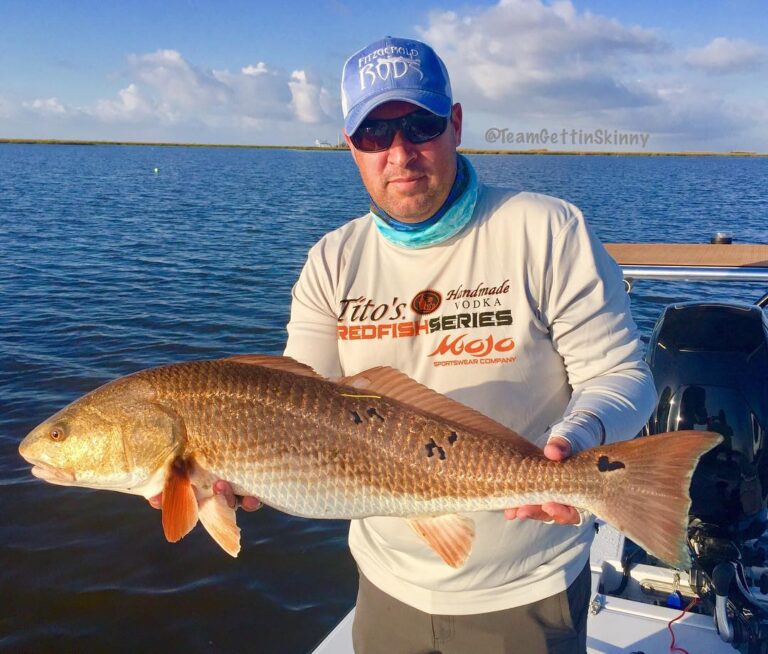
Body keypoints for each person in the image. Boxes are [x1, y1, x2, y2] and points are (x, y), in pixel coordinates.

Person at [157, 36, 657, 654]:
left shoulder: (546, 229)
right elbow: (297, 398)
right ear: (351, 146)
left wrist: (574, 443)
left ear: (455, 124)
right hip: (385, 584)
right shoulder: (332, 261)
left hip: (526, 588)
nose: (400, 152)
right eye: (374, 134)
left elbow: (624, 378)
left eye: (419, 124)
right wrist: (235, 470)